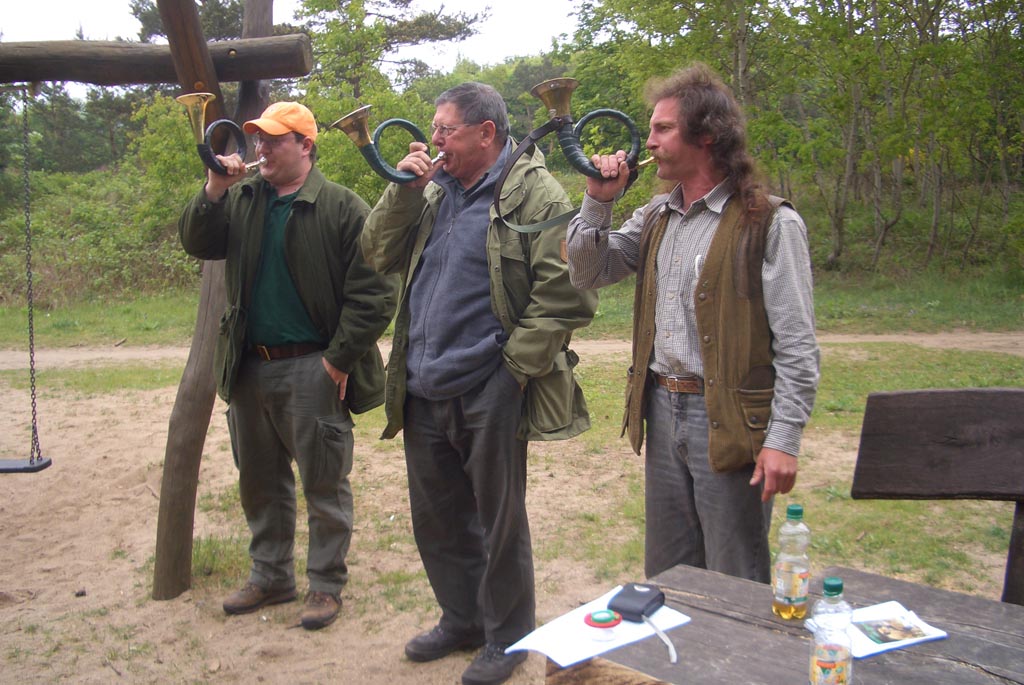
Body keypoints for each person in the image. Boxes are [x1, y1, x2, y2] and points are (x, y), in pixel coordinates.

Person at [360, 82, 597, 685]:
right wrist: (401, 189)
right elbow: (375, 253)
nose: (433, 140)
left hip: (491, 384)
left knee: (499, 521)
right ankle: (462, 619)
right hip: (421, 383)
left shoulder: (535, 191)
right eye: (434, 129)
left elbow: (567, 293)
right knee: (436, 517)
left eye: (445, 130)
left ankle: (508, 638)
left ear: (486, 132)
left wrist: (513, 371)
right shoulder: (429, 188)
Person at [566, 63, 820, 583]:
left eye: (663, 129)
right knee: (670, 575)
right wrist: (597, 200)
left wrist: (783, 438)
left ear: (706, 135)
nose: (649, 142)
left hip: (729, 419)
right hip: (661, 410)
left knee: (735, 575)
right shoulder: (656, 215)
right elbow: (587, 273)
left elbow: (797, 345)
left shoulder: (770, 222)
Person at [178, 101, 397, 630]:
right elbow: (196, 241)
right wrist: (215, 187)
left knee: (324, 483)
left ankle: (325, 585)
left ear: (305, 146)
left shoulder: (342, 206)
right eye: (259, 140)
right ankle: (271, 576)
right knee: (259, 481)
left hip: (312, 367)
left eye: (275, 140)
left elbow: (375, 292)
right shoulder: (243, 198)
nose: (262, 149)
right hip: (249, 368)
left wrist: (338, 360)